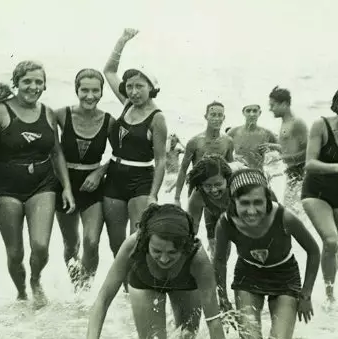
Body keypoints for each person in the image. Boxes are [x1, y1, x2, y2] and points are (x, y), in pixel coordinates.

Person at [77, 204, 228, 339]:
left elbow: (213, 320)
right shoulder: (133, 245)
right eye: (156, 251)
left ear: (185, 246)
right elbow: (102, 300)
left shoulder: (197, 257)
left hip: (185, 283)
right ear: (146, 241)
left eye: (172, 252)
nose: (164, 259)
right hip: (145, 281)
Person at [0, 60, 75, 308]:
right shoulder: (0, 113)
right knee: (15, 253)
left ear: (44, 85)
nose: (33, 87)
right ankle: (21, 292)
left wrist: (66, 188)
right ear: (16, 84)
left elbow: (57, 153)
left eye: (38, 82)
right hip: (6, 189)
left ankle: (35, 280)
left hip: (42, 185)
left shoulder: (48, 113)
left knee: (40, 246)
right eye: (27, 81)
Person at [214, 169, 319, 339]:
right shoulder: (225, 223)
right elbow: (220, 260)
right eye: (244, 203)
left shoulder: (284, 217)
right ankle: (281, 337)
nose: (252, 211)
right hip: (248, 277)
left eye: (258, 202)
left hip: (284, 277)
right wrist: (223, 300)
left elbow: (313, 251)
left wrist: (306, 294)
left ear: (268, 200)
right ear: (233, 201)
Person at [102, 28, 168, 263]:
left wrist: (153, 195)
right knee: (115, 242)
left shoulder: (157, 118)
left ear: (151, 87)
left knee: (138, 240)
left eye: (139, 86)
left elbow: (161, 160)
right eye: (130, 86)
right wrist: (122, 41)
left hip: (141, 178)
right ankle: (125, 292)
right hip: (114, 176)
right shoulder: (127, 104)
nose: (133, 91)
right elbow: (109, 71)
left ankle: (136, 292)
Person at [54, 68, 113, 291]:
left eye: (95, 90)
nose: (90, 96)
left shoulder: (108, 121)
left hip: (93, 185)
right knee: (71, 244)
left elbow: (122, 154)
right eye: (84, 90)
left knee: (92, 242)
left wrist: (100, 172)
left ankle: (85, 290)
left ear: (102, 92)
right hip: (64, 184)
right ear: (76, 90)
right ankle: (75, 285)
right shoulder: (60, 115)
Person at [301, 85, 338, 303]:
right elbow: (310, 163)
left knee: (334, 249)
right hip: (316, 191)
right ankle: (329, 295)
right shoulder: (321, 124)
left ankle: (329, 293)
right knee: (332, 241)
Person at [169, 101, 234, 207]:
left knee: (216, 221)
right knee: (193, 221)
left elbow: (231, 168)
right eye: (213, 115)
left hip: (218, 190)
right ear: (206, 116)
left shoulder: (228, 141)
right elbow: (183, 169)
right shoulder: (194, 141)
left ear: (224, 117)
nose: (216, 119)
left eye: (220, 115)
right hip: (198, 187)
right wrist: (177, 198)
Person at [268, 87, 309, 214]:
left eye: (273, 105)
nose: (270, 109)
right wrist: (275, 148)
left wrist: (283, 158)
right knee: (290, 210)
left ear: (284, 104)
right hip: (291, 173)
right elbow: (289, 148)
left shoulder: (297, 123)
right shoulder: (284, 123)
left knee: (292, 212)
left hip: (300, 173)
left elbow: (310, 151)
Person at [186, 154, 232, 257]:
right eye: (208, 185)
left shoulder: (239, 185)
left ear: (227, 179)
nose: (214, 190)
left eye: (218, 184)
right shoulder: (198, 195)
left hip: (240, 214)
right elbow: (190, 230)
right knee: (217, 253)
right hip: (214, 213)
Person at [227, 104, 279, 170]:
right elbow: (223, 151)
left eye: (255, 111)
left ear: (259, 113)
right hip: (239, 174)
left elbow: (284, 149)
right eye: (248, 111)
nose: (251, 114)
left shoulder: (266, 133)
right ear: (243, 113)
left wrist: (271, 146)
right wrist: (233, 159)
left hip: (259, 174)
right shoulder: (234, 132)